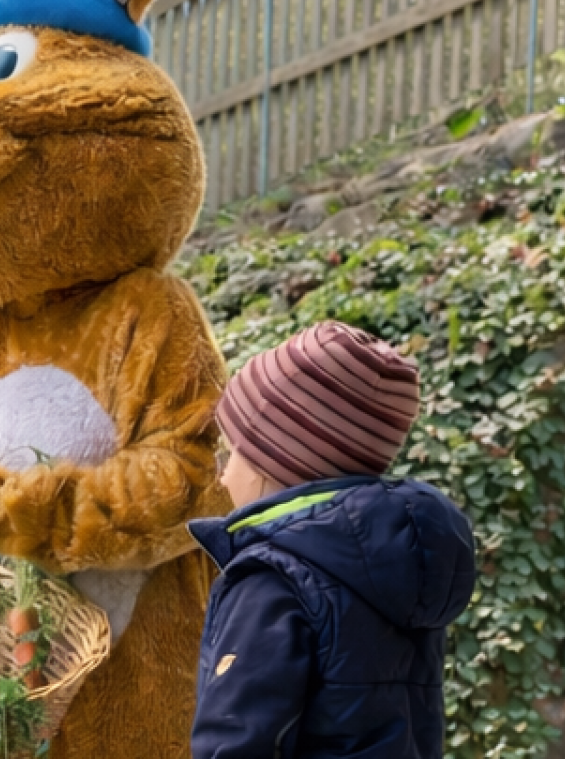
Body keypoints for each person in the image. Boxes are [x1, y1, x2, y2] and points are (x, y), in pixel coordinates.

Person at [189, 321, 478, 759]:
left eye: (232, 453)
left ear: (275, 459)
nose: (224, 475)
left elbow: (234, 744)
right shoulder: (399, 568)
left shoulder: (272, 581)